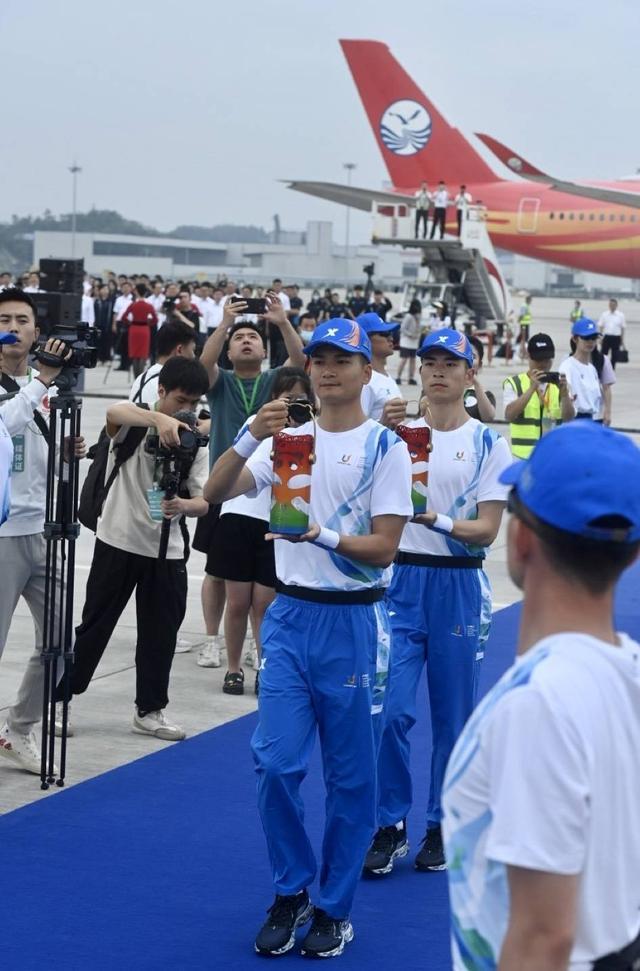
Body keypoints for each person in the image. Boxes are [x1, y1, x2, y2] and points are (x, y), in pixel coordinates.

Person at [204, 317, 413, 958]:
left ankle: (334, 907)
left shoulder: (387, 447)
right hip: (291, 620)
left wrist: (317, 535)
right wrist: (247, 435)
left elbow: (381, 550)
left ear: (364, 371)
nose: (327, 370)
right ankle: (291, 890)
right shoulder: (286, 441)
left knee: (351, 780)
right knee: (275, 762)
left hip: (354, 620)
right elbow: (214, 493)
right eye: (318, 359)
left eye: (341, 360)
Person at [442, 422, 640, 971]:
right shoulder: (627, 671)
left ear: (522, 538)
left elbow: (543, 936)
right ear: (631, 556)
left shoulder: (538, 704)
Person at [363, 328, 512, 878]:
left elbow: (488, 530)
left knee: (452, 717)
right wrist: (379, 433)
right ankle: (390, 822)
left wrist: (438, 521)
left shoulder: (489, 444)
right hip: (401, 583)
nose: (438, 371)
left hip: (459, 587)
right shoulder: (396, 436)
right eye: (429, 362)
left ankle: (443, 821)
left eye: (451, 363)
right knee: (390, 711)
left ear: (470, 374)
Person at [53, 357, 210, 741]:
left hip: (167, 550)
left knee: (161, 635)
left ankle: (150, 709)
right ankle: (61, 700)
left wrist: (184, 506)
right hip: (118, 540)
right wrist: (159, 419)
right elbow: (113, 411)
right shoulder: (135, 425)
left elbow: (204, 499)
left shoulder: (194, 441)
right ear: (160, 392)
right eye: (180, 400)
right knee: (94, 627)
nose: (187, 410)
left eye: (194, 403)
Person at [193, 295, 305, 669]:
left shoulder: (274, 381)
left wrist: (282, 322)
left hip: (265, 492)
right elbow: (202, 365)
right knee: (215, 572)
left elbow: (300, 363)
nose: (245, 340)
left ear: (263, 348)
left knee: (258, 591)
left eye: (252, 337)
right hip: (224, 487)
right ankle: (211, 640)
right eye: (237, 337)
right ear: (228, 349)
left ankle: (255, 650)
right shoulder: (221, 381)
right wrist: (224, 321)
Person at [0, 289, 84, 775]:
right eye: (5, 319)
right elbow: (5, 425)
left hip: (44, 528)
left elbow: (37, 458)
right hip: (3, 532)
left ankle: (19, 727)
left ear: (36, 332)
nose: (14, 327)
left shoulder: (43, 389)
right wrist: (42, 383)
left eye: (23, 320)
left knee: (58, 642)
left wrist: (65, 452)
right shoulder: (36, 388)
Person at [206, 367, 314, 697]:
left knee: (265, 603)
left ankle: (264, 666)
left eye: (300, 400)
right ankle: (233, 667)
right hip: (240, 516)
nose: (293, 406)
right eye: (286, 398)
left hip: (278, 524)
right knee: (237, 602)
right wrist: (263, 432)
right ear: (273, 399)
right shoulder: (257, 425)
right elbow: (231, 473)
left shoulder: (315, 433)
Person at [503, 332, 575, 457]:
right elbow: (509, 415)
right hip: (522, 458)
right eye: (538, 359)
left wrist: (564, 395)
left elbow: (569, 418)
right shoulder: (514, 383)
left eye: (547, 360)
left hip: (553, 456)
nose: (543, 364)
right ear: (528, 356)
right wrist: (531, 389)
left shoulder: (559, 384)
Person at [128, 320, 197, 405]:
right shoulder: (169, 384)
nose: (194, 356)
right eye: (192, 350)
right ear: (179, 350)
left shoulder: (142, 378)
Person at [357, 312, 406, 427]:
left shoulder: (384, 375)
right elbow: (356, 430)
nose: (391, 338)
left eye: (390, 333)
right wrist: (383, 424)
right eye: (384, 334)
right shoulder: (365, 381)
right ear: (366, 340)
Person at [559, 317, 606, 421]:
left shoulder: (592, 369)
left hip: (592, 420)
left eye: (594, 338)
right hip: (575, 421)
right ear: (575, 339)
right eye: (586, 338)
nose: (591, 342)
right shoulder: (567, 366)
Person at [121, 283, 158, 377]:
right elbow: (155, 319)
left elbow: (124, 317)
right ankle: (140, 378)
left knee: (134, 354)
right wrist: (149, 323)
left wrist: (130, 323)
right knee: (143, 354)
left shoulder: (133, 305)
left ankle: (135, 378)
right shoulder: (149, 306)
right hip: (144, 329)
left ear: (136, 292)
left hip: (134, 329)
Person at [464, 336, 496, 421]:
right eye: (462, 355)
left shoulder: (487, 395)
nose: (467, 360)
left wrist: (476, 383)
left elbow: (488, 417)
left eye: (473, 357)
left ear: (480, 364)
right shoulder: (443, 388)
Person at [396, 299, 422, 386]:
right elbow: (402, 328)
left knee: (413, 360)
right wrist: (410, 334)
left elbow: (418, 328)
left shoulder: (418, 317)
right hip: (406, 341)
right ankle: (398, 377)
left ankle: (411, 378)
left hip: (414, 342)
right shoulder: (408, 316)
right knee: (404, 359)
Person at [598, 297, 626, 369]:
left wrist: (622, 340)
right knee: (603, 354)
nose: (612, 306)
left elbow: (622, 328)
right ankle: (602, 368)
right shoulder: (604, 314)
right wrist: (600, 338)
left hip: (616, 337)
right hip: (606, 337)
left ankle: (612, 369)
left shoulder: (621, 315)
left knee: (614, 355)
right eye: (610, 304)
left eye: (613, 305)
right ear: (609, 305)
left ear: (616, 305)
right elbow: (601, 326)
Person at [516, 295, 533, 359]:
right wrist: (519, 320)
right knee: (524, 337)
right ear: (528, 300)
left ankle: (522, 350)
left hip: (526, 323)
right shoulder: (524, 306)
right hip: (523, 324)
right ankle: (522, 350)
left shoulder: (526, 305)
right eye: (530, 300)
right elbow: (522, 314)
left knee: (524, 337)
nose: (531, 302)